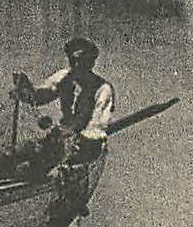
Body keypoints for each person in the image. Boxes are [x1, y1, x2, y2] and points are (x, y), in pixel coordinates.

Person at [12, 38, 116, 167]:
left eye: (81, 61)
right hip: (62, 141)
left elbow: (95, 129)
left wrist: (69, 136)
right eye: (73, 61)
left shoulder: (103, 89)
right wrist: (25, 91)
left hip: (86, 146)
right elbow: (40, 97)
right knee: (18, 156)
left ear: (91, 63)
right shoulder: (64, 77)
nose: (76, 66)